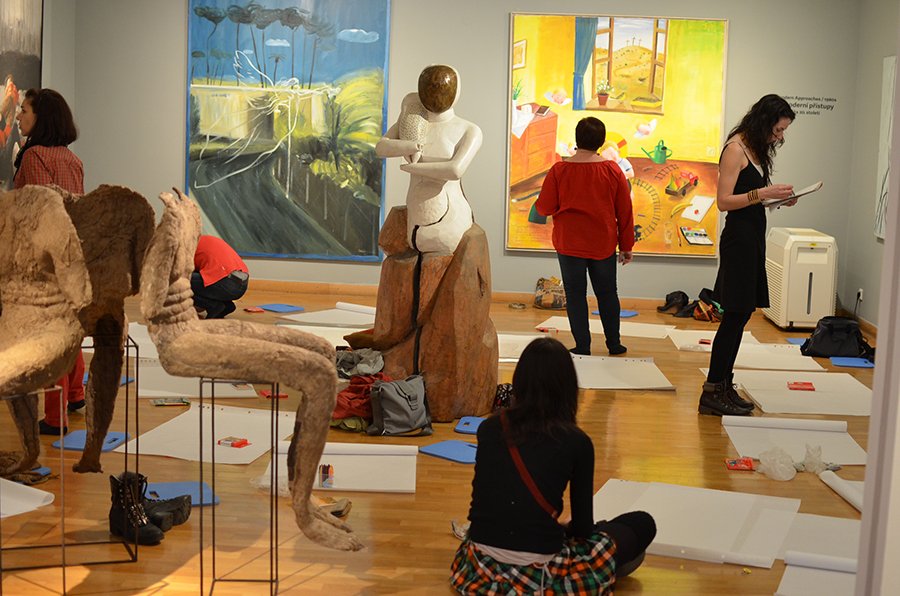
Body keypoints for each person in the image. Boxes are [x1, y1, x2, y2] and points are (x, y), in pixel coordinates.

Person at [450, 337, 655, 594]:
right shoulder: (576, 441)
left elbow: (488, 498)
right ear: (567, 386)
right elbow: (583, 528)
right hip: (540, 562)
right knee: (641, 523)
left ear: (519, 381)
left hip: (481, 558)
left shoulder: (490, 428)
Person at [700, 94, 797, 416]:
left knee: (741, 316)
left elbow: (752, 199)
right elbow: (724, 201)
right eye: (778, 130)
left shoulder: (755, 149)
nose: (779, 137)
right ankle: (712, 390)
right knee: (734, 317)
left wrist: (776, 199)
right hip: (738, 241)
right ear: (764, 122)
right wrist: (762, 193)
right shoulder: (735, 149)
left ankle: (724, 384)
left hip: (753, 238)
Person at [14, 88, 85, 435]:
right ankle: (76, 395)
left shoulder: (34, 156)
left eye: (25, 110)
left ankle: (55, 418)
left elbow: (42, 212)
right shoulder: (72, 159)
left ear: (41, 118)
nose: (19, 116)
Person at [535, 117, 634, 356]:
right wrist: (626, 245)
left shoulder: (559, 170)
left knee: (575, 295)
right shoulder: (613, 170)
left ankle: (582, 346)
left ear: (577, 139)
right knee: (607, 293)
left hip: (569, 243)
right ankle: (614, 344)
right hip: (603, 243)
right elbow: (625, 211)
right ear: (601, 141)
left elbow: (544, 208)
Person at [191, 235, 249, 319]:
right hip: (241, 286)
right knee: (200, 278)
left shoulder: (187, 246)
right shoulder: (205, 239)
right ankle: (226, 305)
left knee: (177, 281)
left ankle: (213, 305)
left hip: (225, 282)